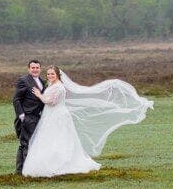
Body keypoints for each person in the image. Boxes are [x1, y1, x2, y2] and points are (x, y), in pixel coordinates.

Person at [21, 65, 153, 177]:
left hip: (58, 116)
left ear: (57, 75)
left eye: (52, 74)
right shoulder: (51, 84)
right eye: (48, 74)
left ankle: (59, 164)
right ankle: (46, 162)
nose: (50, 76)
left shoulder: (59, 87)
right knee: (49, 139)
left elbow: (51, 101)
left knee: (59, 139)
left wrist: (40, 95)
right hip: (50, 116)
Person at [12, 60, 46, 174]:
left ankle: (21, 171)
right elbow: (16, 99)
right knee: (26, 144)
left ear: (40, 69)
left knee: (30, 144)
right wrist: (22, 116)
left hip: (37, 117)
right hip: (27, 117)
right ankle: (25, 171)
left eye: (37, 67)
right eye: (33, 68)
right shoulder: (23, 80)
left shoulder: (42, 81)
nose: (35, 69)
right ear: (29, 69)